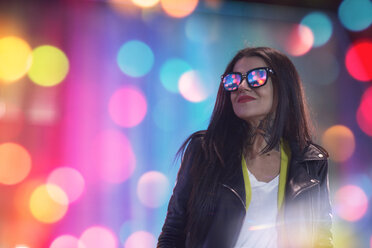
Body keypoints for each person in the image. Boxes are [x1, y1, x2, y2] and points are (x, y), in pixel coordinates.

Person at [157, 47, 333, 248]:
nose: (241, 86)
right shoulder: (205, 151)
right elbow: (173, 232)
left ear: (284, 85)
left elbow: (322, 239)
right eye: (233, 80)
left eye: (256, 77)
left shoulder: (312, 161)